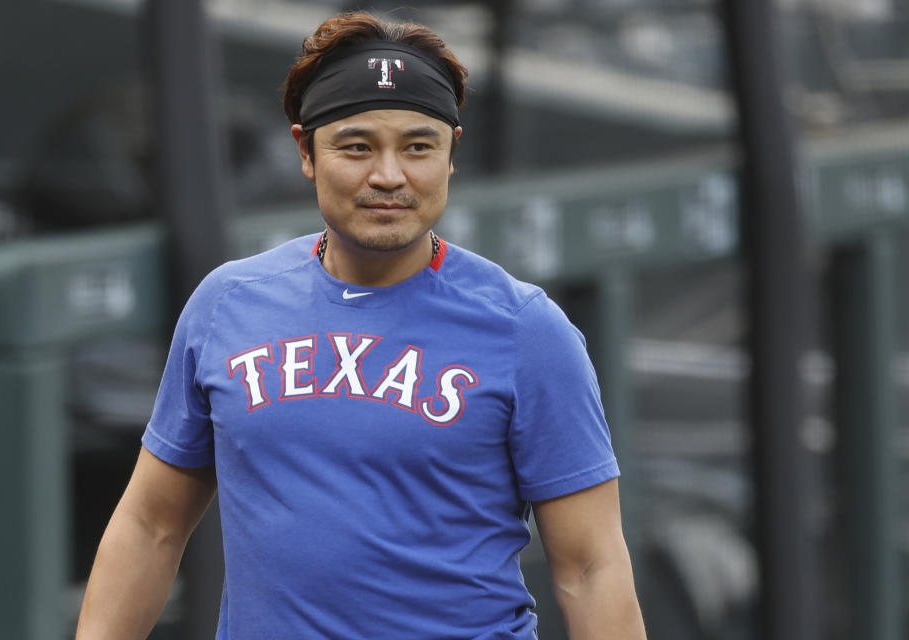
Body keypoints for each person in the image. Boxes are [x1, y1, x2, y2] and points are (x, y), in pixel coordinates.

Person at [76, 11, 647, 640]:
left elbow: (592, 568)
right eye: (356, 146)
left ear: (451, 153)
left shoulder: (526, 330)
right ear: (305, 152)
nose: (389, 175)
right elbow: (151, 526)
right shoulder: (227, 304)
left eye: (418, 146)